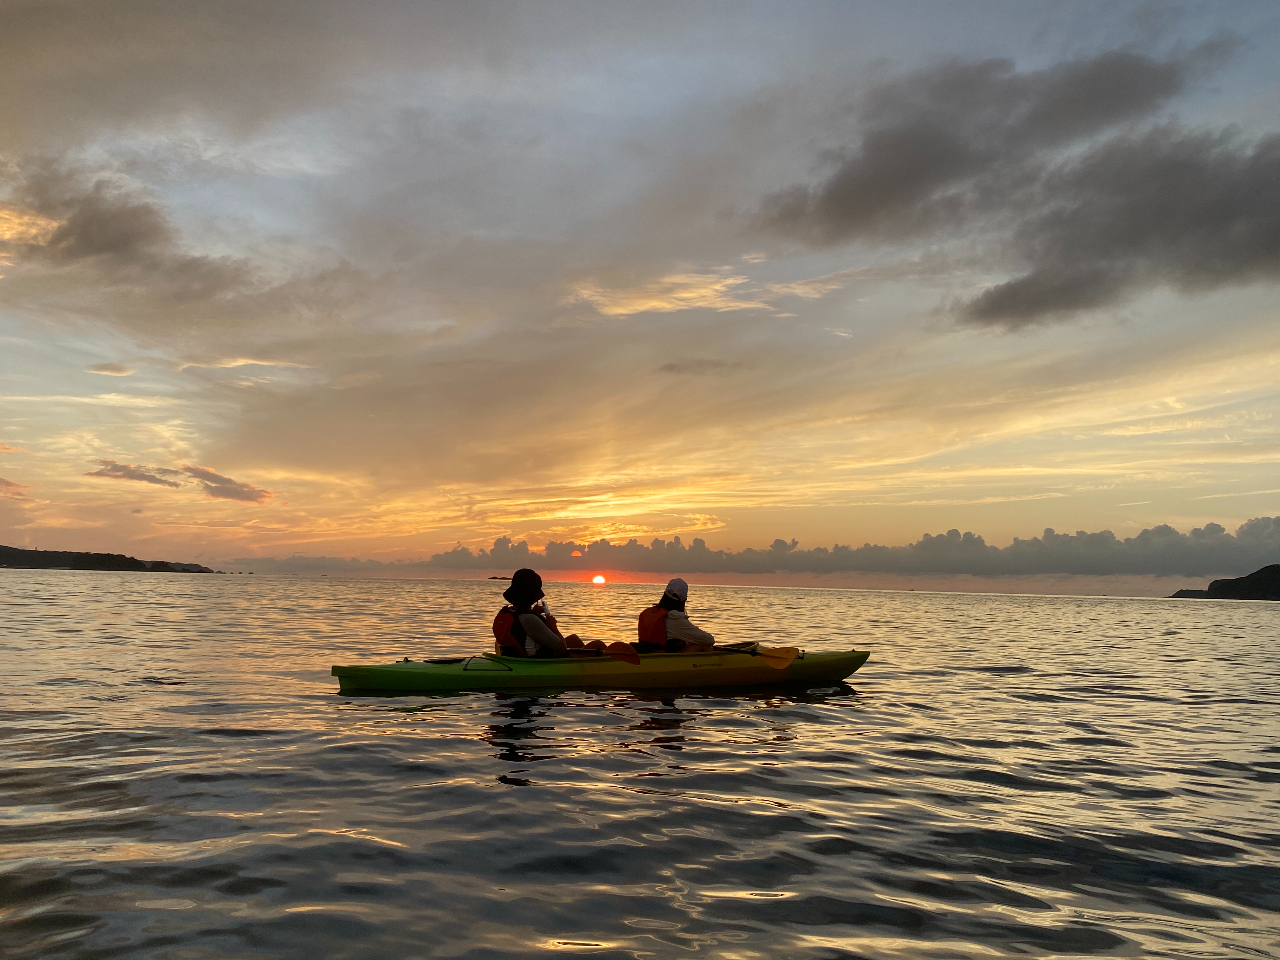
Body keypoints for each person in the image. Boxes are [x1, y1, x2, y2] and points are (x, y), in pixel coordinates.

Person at [492, 568, 587, 658]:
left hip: (517, 657)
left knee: (574, 640)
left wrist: (532, 613)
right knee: (598, 644)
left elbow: (521, 627)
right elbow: (562, 649)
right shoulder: (529, 619)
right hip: (538, 662)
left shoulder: (507, 613)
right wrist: (553, 627)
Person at [636, 578, 714, 653]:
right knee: (703, 646)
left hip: (648, 657)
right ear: (683, 600)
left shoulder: (646, 613)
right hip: (665, 660)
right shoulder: (675, 618)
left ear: (665, 594)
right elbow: (709, 640)